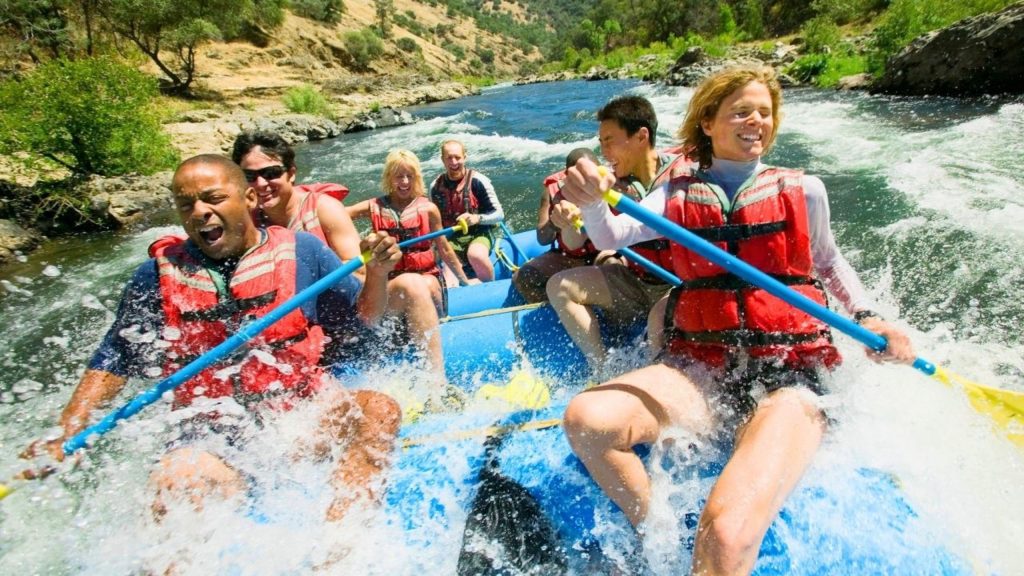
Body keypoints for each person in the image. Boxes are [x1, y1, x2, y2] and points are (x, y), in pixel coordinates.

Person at [559, 66, 916, 574]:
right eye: (741, 112)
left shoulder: (805, 189)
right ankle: (658, 536)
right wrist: (593, 200)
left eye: (765, 113)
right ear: (708, 122)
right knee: (588, 421)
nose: (756, 122)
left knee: (726, 538)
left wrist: (870, 318)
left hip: (787, 374)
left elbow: (829, 262)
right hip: (701, 369)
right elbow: (612, 236)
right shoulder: (676, 194)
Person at [22, 155, 403, 522]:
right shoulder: (154, 276)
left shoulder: (304, 251)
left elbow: (363, 318)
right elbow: (115, 358)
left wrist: (378, 274)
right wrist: (67, 430)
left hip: (300, 416)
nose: (199, 211)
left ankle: (341, 551)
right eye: (186, 204)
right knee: (176, 481)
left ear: (249, 199)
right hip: (213, 437)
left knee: (379, 411)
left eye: (213, 198)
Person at [546, 96, 690, 378]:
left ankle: (653, 381)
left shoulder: (686, 175)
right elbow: (575, 243)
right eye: (600, 141)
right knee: (560, 286)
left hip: (681, 285)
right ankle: (603, 371)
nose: (603, 150)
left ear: (641, 136)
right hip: (635, 281)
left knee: (658, 319)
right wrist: (565, 220)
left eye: (609, 140)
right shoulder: (607, 184)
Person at [347, 149, 471, 377]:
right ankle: (394, 336)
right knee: (404, 286)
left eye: (409, 176)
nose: (404, 182)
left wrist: (463, 280)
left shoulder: (428, 209)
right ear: (388, 178)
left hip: (427, 279)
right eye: (398, 176)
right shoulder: (373, 206)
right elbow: (339, 216)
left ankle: (426, 334)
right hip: (391, 285)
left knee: (423, 285)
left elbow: (443, 247)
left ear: (416, 178)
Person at [231, 131, 365, 281]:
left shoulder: (325, 209)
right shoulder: (244, 219)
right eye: (249, 176)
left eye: (271, 173)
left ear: (291, 173)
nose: (261, 184)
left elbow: (359, 269)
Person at [511, 148, 603, 303]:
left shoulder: (611, 187)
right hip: (568, 257)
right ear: (568, 175)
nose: (588, 178)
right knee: (523, 277)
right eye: (581, 174)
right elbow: (542, 238)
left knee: (614, 265)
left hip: (601, 254)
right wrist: (555, 222)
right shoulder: (551, 192)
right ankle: (556, 312)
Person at [429, 139, 504, 284]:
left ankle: (491, 288)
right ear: (442, 160)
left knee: (475, 255)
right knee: (448, 275)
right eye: (449, 158)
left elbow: (499, 214)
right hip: (451, 239)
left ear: (465, 157)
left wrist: (478, 218)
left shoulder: (479, 181)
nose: (454, 162)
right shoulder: (435, 187)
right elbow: (433, 222)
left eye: (457, 157)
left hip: (479, 233)